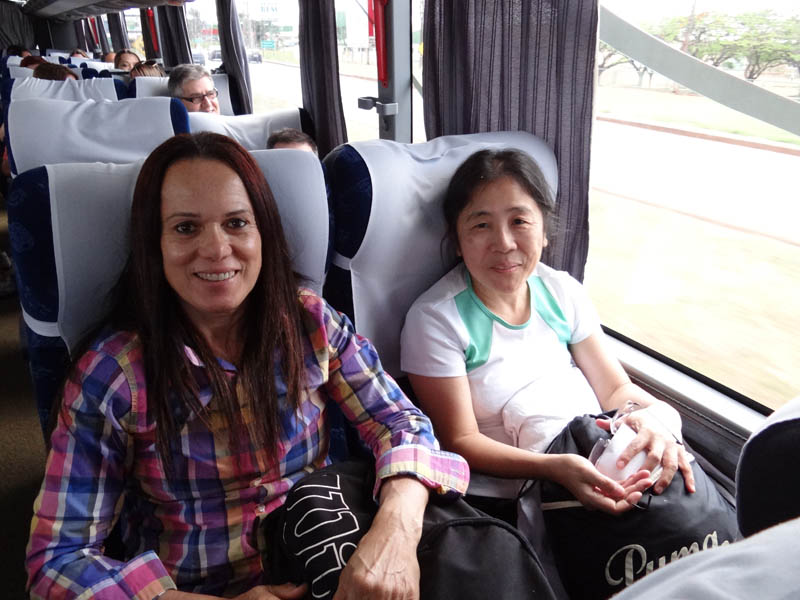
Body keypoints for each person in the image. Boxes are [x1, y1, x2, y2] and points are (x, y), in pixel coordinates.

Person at [26, 132, 469, 599]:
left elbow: (401, 423)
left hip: (331, 558)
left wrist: (395, 534)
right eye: (185, 228)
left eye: (236, 223)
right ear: (153, 245)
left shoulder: (310, 323)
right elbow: (56, 561)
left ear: (263, 234)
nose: (217, 249)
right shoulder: (114, 375)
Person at [401, 148, 694, 520]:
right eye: (481, 225)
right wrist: (555, 469)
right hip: (508, 500)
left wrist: (660, 420)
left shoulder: (561, 291)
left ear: (543, 232)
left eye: (519, 221)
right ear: (458, 241)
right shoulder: (436, 320)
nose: (504, 243)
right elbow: (461, 441)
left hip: (593, 455)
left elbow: (615, 391)